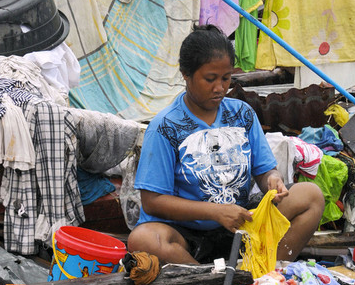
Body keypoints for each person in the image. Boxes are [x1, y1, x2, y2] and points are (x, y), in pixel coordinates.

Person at [128, 25, 325, 265]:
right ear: (186, 74)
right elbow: (153, 202)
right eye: (210, 79)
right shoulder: (164, 127)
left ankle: (264, 276)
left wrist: (272, 180)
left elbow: (264, 171)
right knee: (143, 240)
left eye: (226, 78)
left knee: (310, 196)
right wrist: (215, 212)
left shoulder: (242, 114)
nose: (220, 88)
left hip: (242, 223)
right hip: (187, 236)